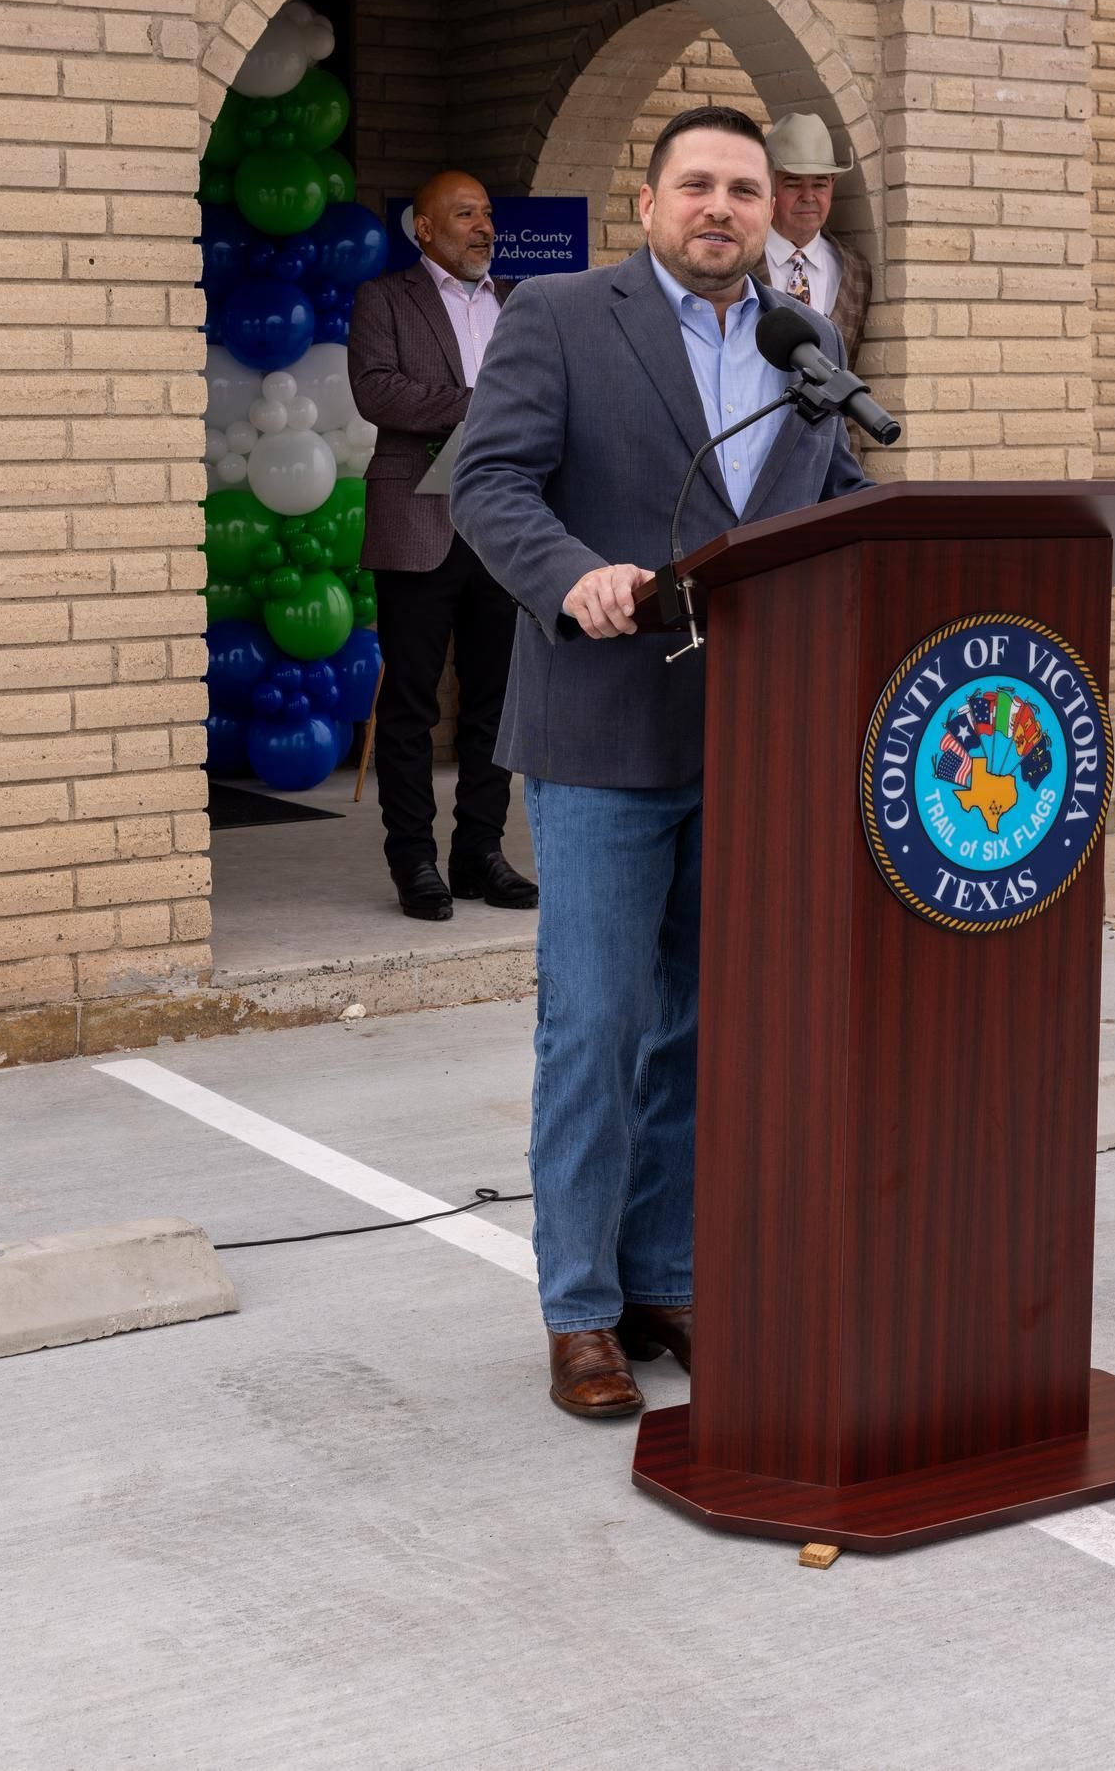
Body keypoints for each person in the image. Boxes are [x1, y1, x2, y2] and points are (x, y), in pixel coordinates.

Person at [450, 105, 866, 1421]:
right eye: (696, 183)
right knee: (595, 1026)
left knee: (699, 1027)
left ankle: (660, 1275)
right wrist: (571, 580)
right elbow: (488, 483)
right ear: (647, 203)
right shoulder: (562, 317)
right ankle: (577, 1308)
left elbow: (834, 494)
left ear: (771, 210)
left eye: (744, 188)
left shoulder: (808, 342)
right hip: (600, 731)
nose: (721, 206)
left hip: (754, 737)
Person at [346, 171, 539, 920]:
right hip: (417, 524)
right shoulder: (384, 299)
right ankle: (413, 861)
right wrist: (484, 406)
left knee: (494, 704)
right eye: (464, 215)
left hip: (503, 525)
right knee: (410, 708)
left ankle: (479, 855)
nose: (482, 227)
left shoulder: (519, 301)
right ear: (423, 228)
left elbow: (547, 391)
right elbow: (378, 392)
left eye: (487, 215)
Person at [761, 110, 873, 367]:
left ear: (833, 184)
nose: (808, 196)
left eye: (820, 184)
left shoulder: (856, 271)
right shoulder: (739, 260)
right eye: (793, 183)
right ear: (769, 185)